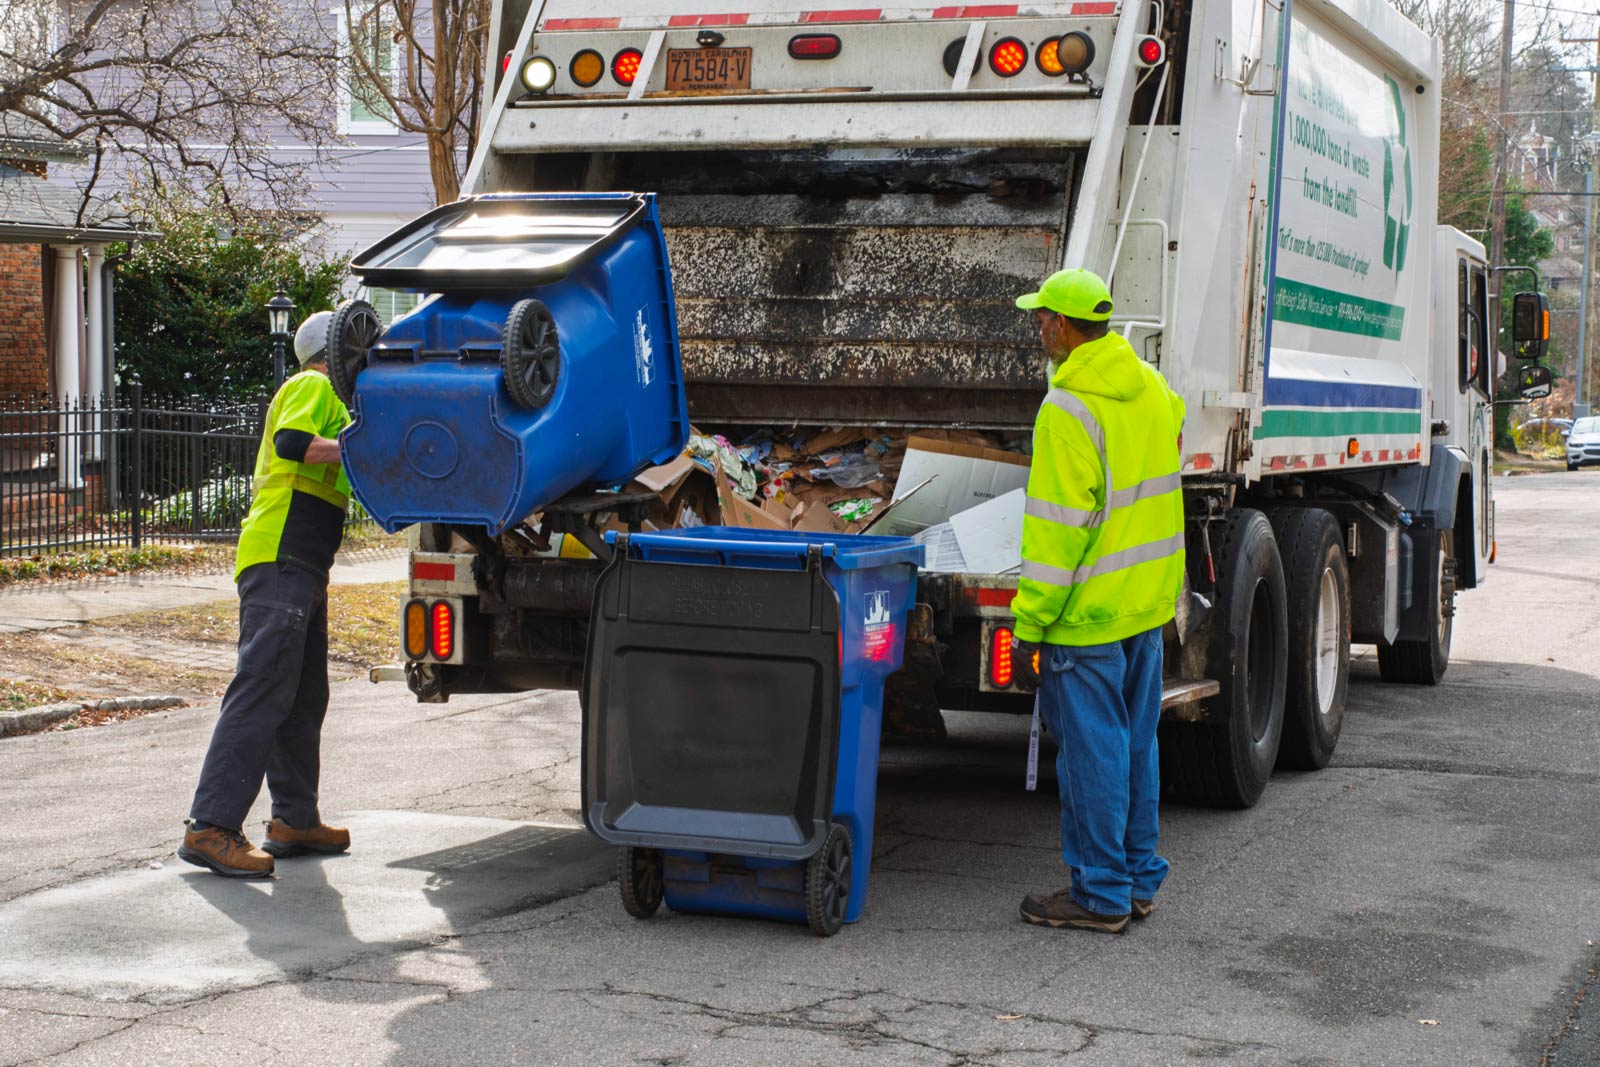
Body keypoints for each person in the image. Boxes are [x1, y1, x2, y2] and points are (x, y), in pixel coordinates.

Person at [1009, 268, 1186, 934]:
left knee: (1093, 757)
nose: (1038, 328)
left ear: (1061, 326)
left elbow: (1057, 532)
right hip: (1145, 606)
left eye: (1041, 319)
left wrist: (1030, 624)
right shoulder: (1151, 387)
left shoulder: (1066, 410)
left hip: (1085, 619)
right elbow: (1174, 426)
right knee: (1136, 746)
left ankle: (1101, 893)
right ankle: (1136, 879)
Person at [178, 310, 355, 878]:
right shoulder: (313, 384)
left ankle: (294, 820)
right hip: (282, 554)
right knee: (263, 685)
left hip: (304, 563)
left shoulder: (338, 406)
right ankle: (211, 826)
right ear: (337, 352)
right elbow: (292, 443)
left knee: (303, 695)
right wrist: (358, 444)